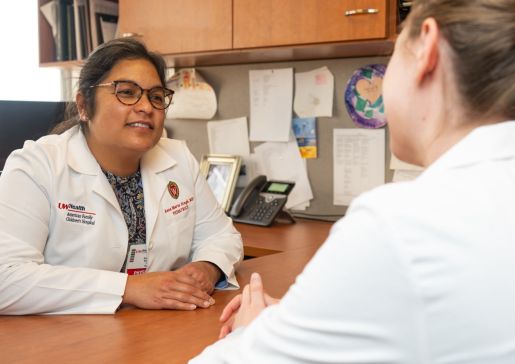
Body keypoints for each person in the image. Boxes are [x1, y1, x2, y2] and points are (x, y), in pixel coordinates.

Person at [191, 0, 515, 362]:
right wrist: (310, 318)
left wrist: (252, 330)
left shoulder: (398, 221)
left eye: (393, 54)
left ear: (427, 49)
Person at [0, 38, 243, 315]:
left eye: (155, 96)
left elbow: (222, 236)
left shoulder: (178, 160)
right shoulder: (36, 166)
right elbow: (6, 278)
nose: (146, 107)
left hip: (155, 330)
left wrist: (207, 267)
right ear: (83, 105)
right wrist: (127, 288)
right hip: (66, 339)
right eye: (127, 92)